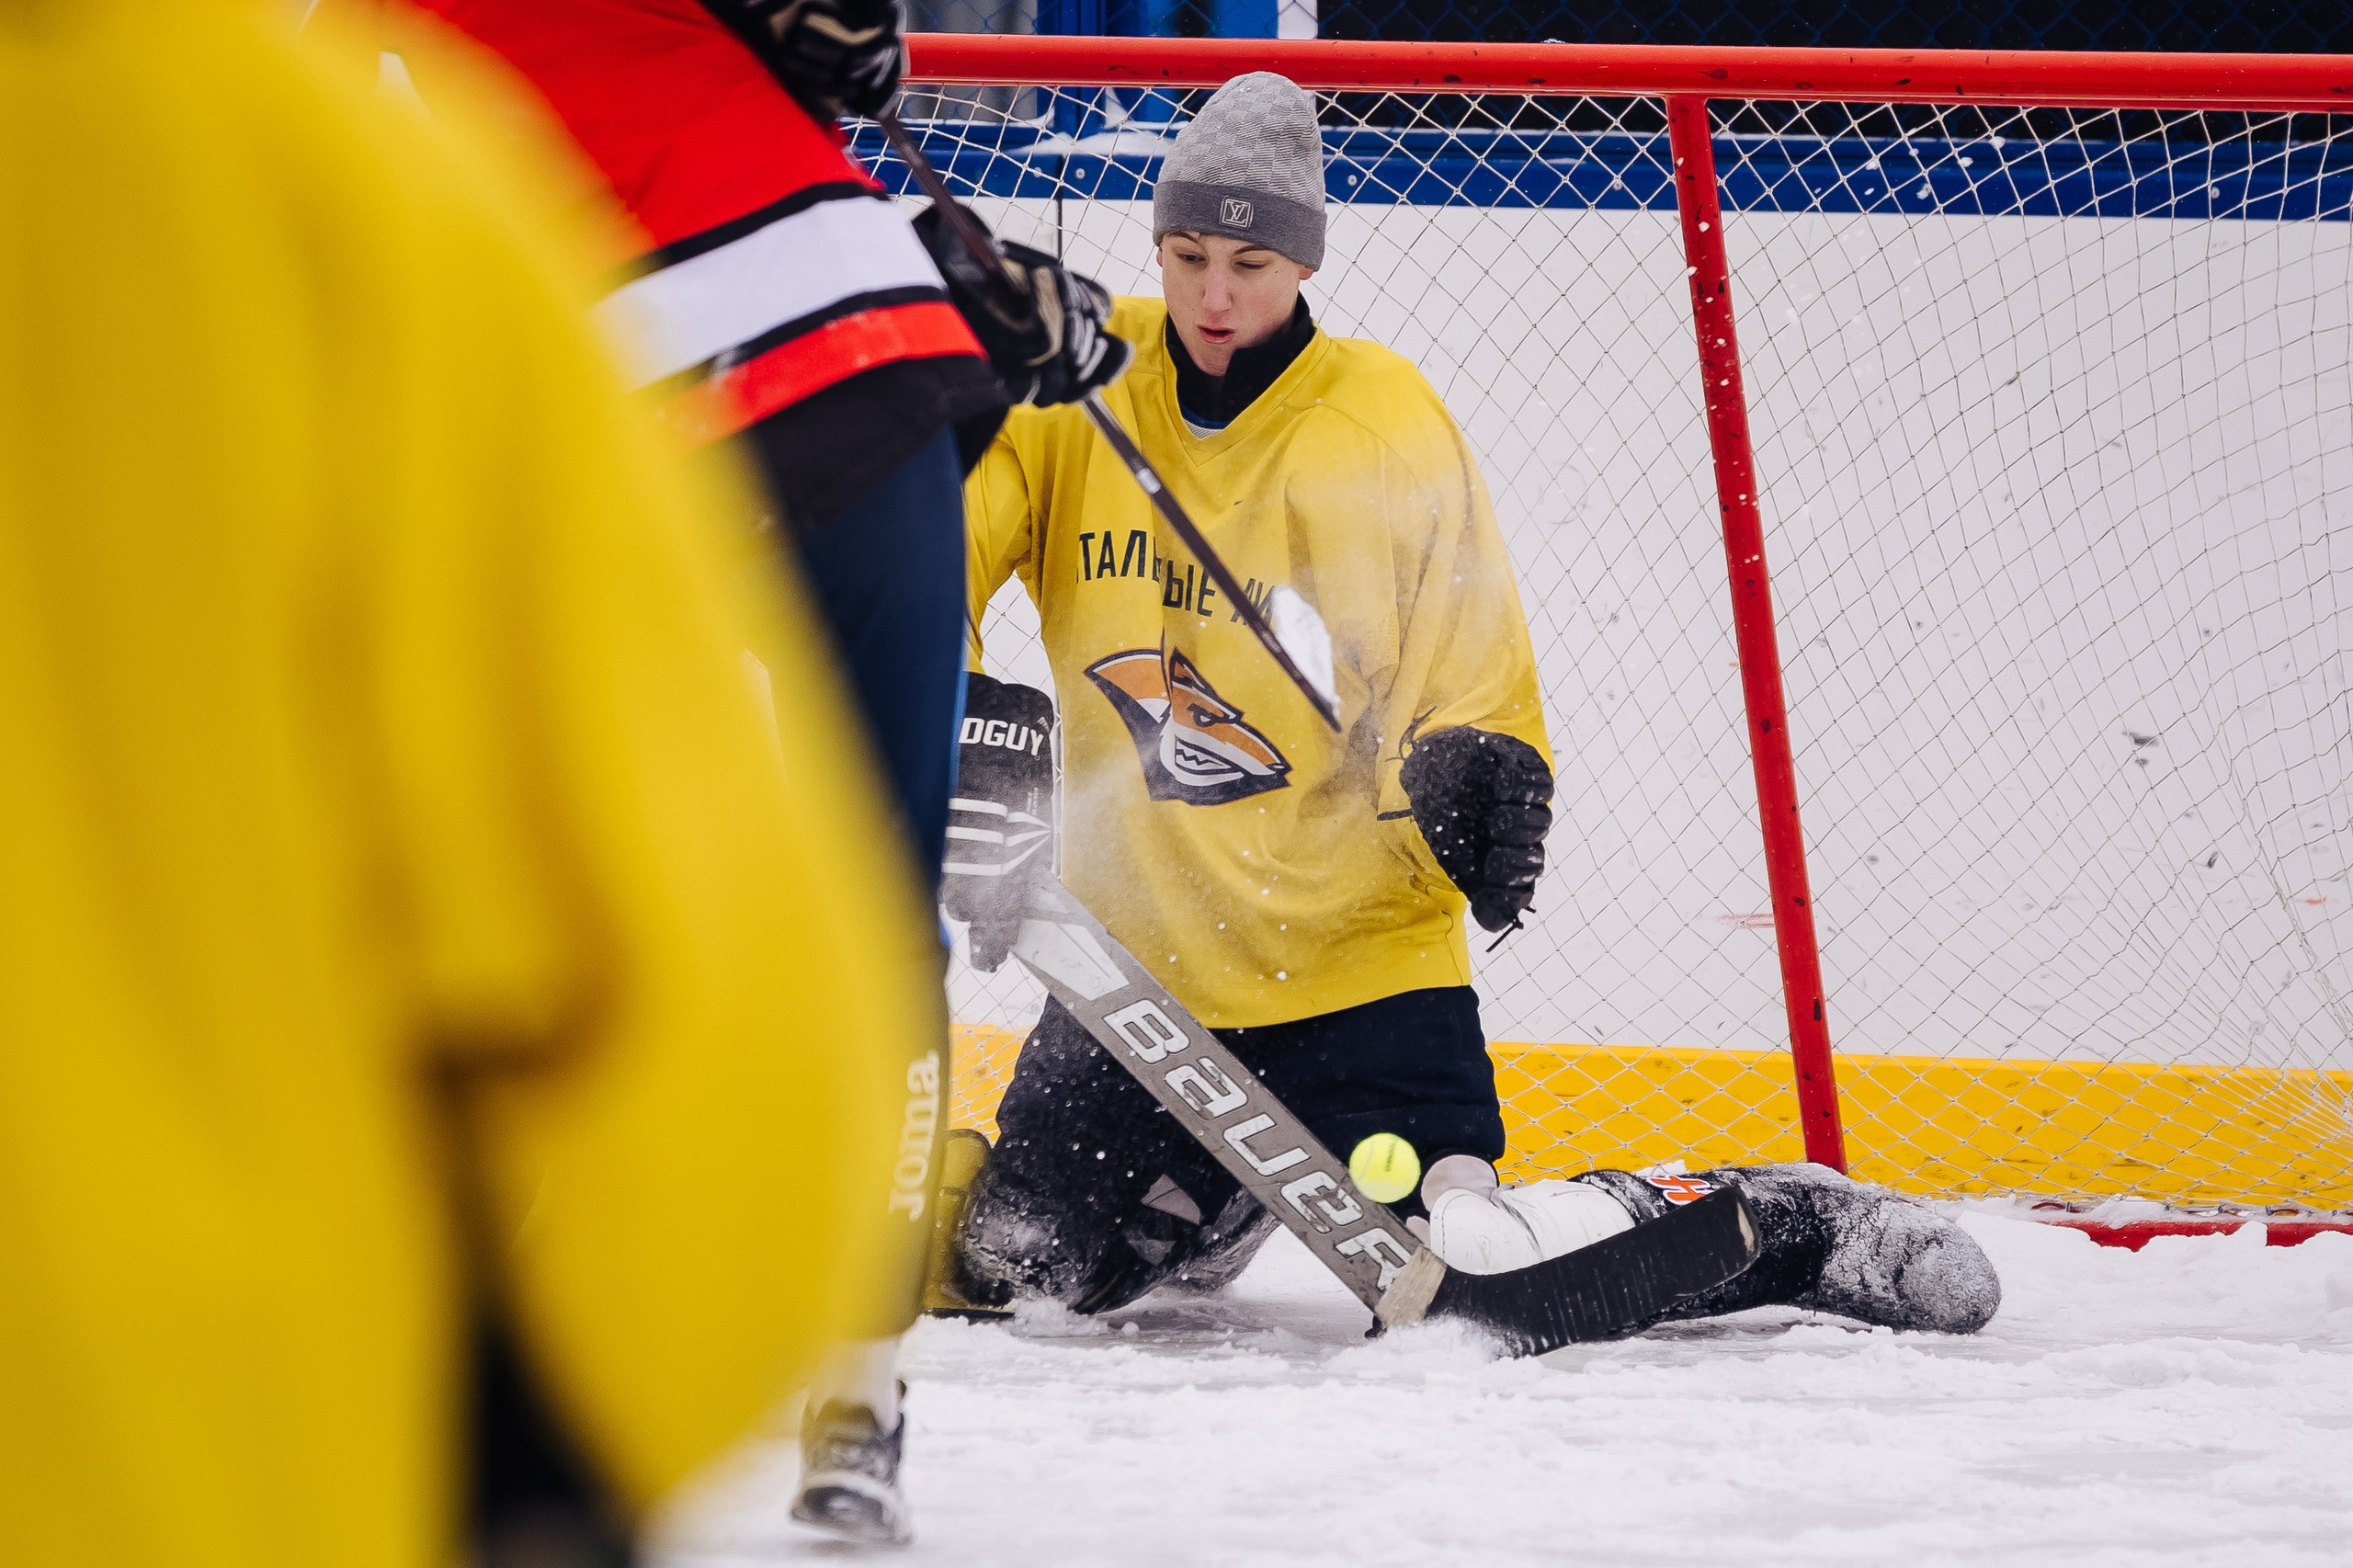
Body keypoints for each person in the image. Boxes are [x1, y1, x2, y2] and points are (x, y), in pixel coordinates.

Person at [0, 6, 930, 1568]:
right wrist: (546, 1446)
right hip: (250, 1452)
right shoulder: (346, 206)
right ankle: (863, 1388)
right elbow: (730, 1023)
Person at [939, 73, 2001, 1335]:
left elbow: (1471, 654)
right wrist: (954, 718)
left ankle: (1792, 1218)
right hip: (1133, 972)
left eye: (1253, 262)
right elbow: (923, 549)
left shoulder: (1376, 418)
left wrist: (1477, 763)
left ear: (1305, 262)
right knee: (1012, 1267)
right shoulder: (1081, 389)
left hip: (1354, 960)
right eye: (1187, 255)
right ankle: (1210, 1194)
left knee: (1466, 1268)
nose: (1215, 296)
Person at [382, 0, 1129, 1542]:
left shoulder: (318, 66)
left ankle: (512, 1351)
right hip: (855, 350)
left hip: (667, 415)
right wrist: (957, 295)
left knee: (534, 901)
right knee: (870, 913)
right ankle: (854, 1391)